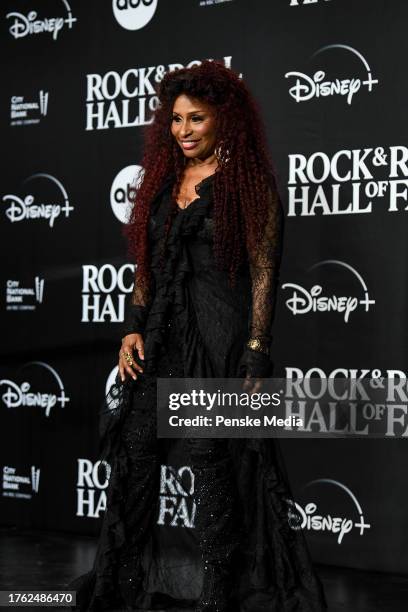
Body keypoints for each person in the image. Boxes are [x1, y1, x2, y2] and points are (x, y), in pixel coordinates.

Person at [68, 60, 327, 611]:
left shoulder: (249, 184)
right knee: (134, 463)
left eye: (196, 119)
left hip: (218, 343)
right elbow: (148, 265)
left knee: (214, 475)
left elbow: (263, 273)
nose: (183, 130)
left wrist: (256, 355)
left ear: (223, 120)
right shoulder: (162, 182)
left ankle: (217, 597)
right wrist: (133, 329)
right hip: (159, 339)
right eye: (176, 120)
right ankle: (122, 590)